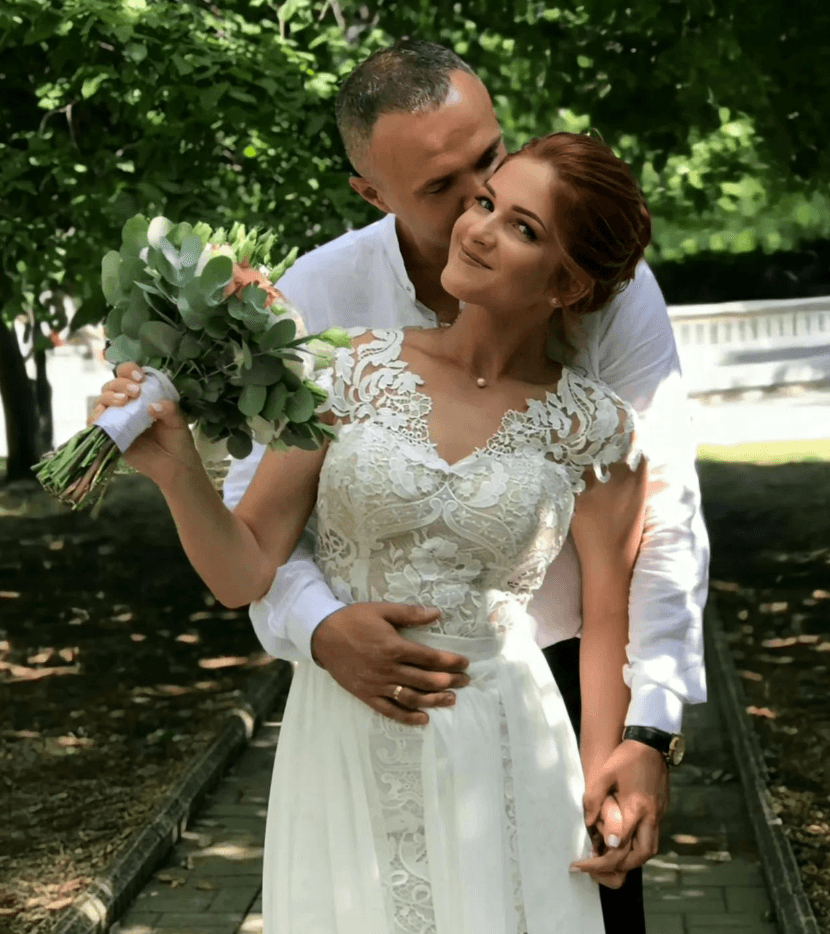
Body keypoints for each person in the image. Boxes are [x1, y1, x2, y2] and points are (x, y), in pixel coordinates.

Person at [96, 132, 662, 931]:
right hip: (345, 735)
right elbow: (242, 573)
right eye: (485, 203)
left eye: (521, 228)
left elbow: (606, 616)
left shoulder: (595, 428)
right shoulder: (347, 371)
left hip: (506, 739)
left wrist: (604, 775)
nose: (477, 228)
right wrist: (176, 472)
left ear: (567, 282)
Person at [222, 40, 709, 931]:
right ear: (374, 194)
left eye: (490, 157)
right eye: (448, 188)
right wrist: (319, 628)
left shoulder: (605, 284)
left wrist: (648, 729)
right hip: (366, 691)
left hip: (561, 685)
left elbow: (662, 518)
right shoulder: (322, 299)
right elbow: (254, 515)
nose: (480, 203)